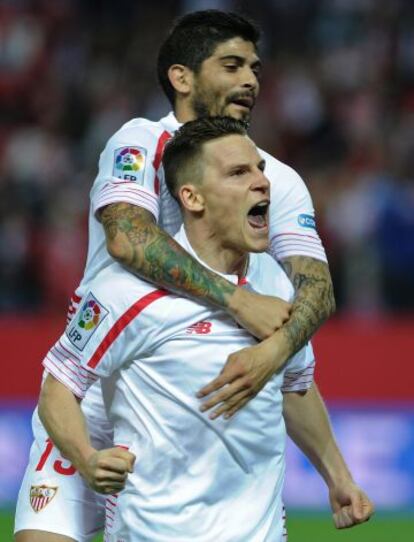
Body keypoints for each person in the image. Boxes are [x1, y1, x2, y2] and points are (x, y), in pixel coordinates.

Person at [15, 10, 336, 542]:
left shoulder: (275, 177)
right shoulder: (141, 140)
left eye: (255, 67)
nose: (250, 80)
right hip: (93, 391)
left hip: (182, 405)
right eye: (231, 65)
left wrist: (271, 354)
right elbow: (127, 237)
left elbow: (316, 291)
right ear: (182, 78)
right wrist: (236, 302)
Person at [38, 117, 373, 542]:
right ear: (192, 197)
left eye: (259, 170)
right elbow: (59, 386)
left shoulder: (277, 285)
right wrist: (86, 458)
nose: (262, 183)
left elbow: (295, 387)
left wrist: (338, 477)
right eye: (238, 172)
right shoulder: (124, 290)